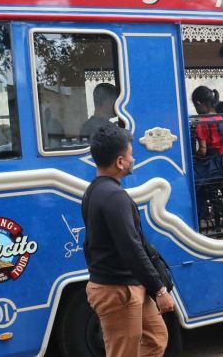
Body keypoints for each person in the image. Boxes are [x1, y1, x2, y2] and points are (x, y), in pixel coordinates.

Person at [82, 124, 175, 357]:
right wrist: (159, 290)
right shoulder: (114, 197)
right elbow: (131, 248)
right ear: (120, 162)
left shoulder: (94, 191)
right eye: (131, 155)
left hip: (129, 283)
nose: (133, 160)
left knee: (155, 339)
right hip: (118, 290)